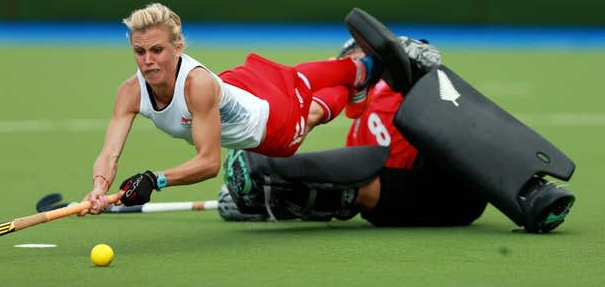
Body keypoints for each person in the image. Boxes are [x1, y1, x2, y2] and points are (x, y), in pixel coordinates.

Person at [219, 34, 576, 233]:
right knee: (352, 179)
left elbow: (435, 82)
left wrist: (414, 54)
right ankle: (264, 196)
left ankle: (534, 192)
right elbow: (314, 117)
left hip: (458, 178)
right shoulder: (353, 124)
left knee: (363, 166)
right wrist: (262, 201)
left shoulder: (400, 84)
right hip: (417, 199)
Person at [80, 3, 400, 215]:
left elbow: (208, 162)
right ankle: (356, 79)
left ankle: (364, 71)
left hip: (272, 120)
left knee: (298, 81)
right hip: (253, 110)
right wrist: (98, 187)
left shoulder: (197, 85)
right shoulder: (130, 92)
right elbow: (110, 153)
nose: (148, 60)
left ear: (178, 48)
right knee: (302, 89)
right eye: (139, 51)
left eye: (157, 50)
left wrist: (156, 179)